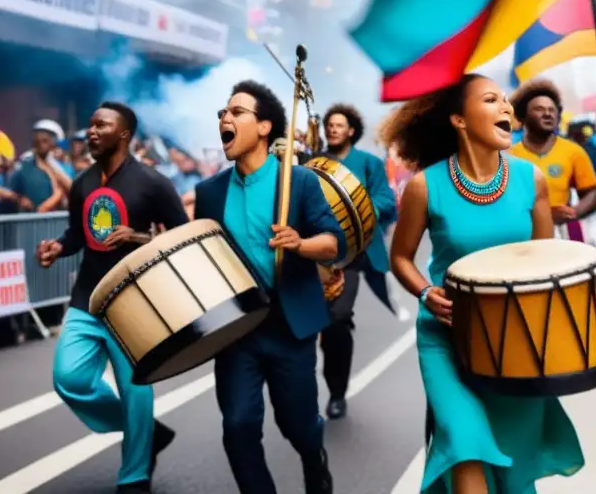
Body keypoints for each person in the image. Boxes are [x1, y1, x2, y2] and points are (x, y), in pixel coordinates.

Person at [384, 74, 583, 494]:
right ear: (459, 119)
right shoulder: (425, 185)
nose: (508, 108)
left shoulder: (533, 180)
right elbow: (400, 256)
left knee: (513, 469)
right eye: (492, 99)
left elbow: (544, 267)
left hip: (516, 343)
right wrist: (425, 291)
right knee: (465, 444)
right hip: (447, 340)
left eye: (508, 101)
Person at [193, 80, 345, 494]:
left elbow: (334, 242)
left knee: (297, 425)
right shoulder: (208, 192)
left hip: (288, 324)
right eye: (222, 113)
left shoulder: (298, 182)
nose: (225, 118)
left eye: (236, 112)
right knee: (238, 424)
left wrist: (300, 243)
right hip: (235, 328)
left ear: (264, 128)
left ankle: (314, 459)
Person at [36, 102, 186, 493]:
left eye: (101, 125)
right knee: (68, 378)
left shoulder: (154, 183)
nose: (91, 131)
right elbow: (77, 234)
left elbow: (182, 238)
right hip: (87, 299)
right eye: (90, 125)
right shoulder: (83, 182)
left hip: (134, 302)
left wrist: (139, 237)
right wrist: (57, 247)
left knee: (134, 388)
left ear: (124, 133)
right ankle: (147, 431)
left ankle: (135, 474)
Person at [317, 103, 398, 420]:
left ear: (351, 130)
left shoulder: (367, 163)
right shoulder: (314, 162)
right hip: (311, 253)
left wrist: (361, 211)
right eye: (329, 125)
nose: (333, 129)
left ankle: (337, 392)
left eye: (339, 125)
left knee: (337, 320)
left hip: (350, 255)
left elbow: (386, 201)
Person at [509, 79, 596, 242]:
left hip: (565, 234)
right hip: (525, 235)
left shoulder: (573, 151)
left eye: (552, 110)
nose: (548, 113)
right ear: (522, 116)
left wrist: (573, 213)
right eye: (539, 109)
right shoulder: (509, 156)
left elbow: (591, 193)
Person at [12, 119, 73, 210]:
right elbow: (15, 192)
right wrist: (21, 199)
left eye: (45, 141)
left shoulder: (63, 167)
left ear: (52, 142)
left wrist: (46, 206)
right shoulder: (25, 167)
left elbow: (70, 188)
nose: (41, 144)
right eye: (37, 141)